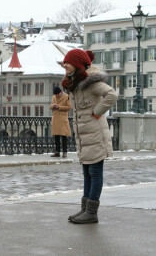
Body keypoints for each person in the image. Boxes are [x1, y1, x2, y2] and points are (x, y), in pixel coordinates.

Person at [61, 49, 117, 224]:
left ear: (77, 64)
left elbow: (111, 94)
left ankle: (92, 212)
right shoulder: (75, 82)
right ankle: (85, 209)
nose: (65, 65)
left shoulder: (90, 82)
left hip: (95, 133)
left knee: (95, 172)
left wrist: (97, 112)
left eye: (67, 63)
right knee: (87, 172)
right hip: (84, 135)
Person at [50, 86, 71, 158]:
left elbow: (69, 107)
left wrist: (59, 107)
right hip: (55, 118)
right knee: (56, 135)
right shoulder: (53, 97)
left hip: (62, 118)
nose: (56, 96)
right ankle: (57, 152)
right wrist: (53, 106)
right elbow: (50, 105)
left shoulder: (66, 96)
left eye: (57, 94)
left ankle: (64, 152)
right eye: (55, 95)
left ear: (60, 92)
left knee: (64, 135)